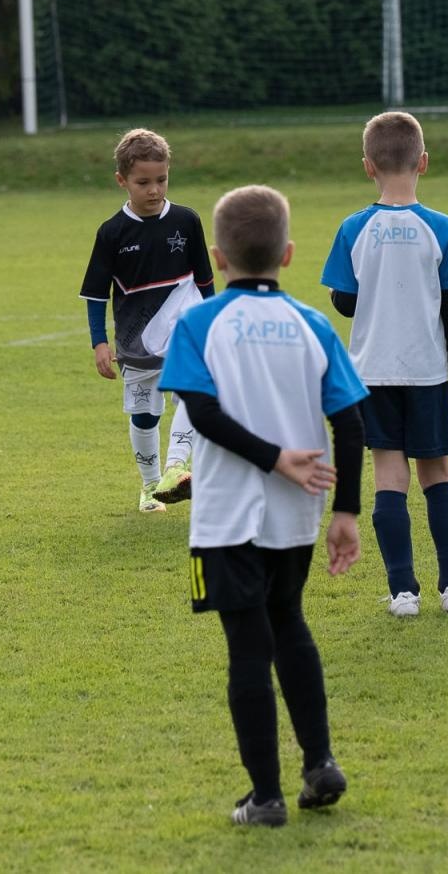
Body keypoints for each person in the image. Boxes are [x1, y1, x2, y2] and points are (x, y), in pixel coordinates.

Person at [160, 184, 366, 826]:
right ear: (289, 254)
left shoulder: (199, 323)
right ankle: (320, 762)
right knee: (291, 627)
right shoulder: (313, 323)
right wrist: (346, 512)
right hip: (294, 516)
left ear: (217, 259)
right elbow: (352, 423)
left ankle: (267, 798)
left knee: (248, 649)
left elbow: (203, 415)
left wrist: (272, 456)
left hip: (225, 516)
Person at [320, 111, 448, 618]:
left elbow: (345, 303)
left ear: (368, 166)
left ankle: (402, 593)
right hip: (427, 370)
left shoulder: (352, 228)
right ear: (423, 162)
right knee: (438, 473)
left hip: (370, 373)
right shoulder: (443, 228)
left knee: (389, 474)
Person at [78, 128, 215, 513]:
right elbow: (95, 293)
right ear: (122, 181)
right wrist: (98, 341)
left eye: (161, 180)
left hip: (186, 327)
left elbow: (205, 281)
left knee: (194, 392)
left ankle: (176, 468)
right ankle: (152, 486)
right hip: (136, 340)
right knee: (145, 415)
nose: (154, 190)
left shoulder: (187, 221)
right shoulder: (111, 232)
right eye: (143, 182)